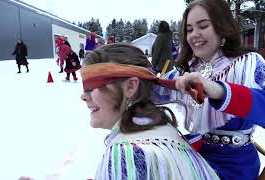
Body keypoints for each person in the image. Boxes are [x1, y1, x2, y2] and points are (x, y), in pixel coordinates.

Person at [154, 0, 265, 179]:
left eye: (203, 26)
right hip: (196, 152)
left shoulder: (248, 63)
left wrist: (220, 92)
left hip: (232, 165)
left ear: (222, 27)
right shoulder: (190, 67)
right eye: (189, 29)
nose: (194, 35)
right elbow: (157, 91)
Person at [79, 43, 220, 179]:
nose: (83, 97)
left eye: (91, 87)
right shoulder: (160, 129)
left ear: (130, 87)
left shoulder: (126, 154)